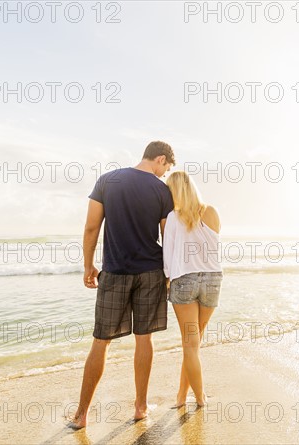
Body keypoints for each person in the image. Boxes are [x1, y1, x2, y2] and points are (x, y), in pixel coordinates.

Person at [71, 141, 175, 429]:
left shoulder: (108, 180)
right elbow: (168, 237)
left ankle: (81, 415)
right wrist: (168, 274)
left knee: (100, 341)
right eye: (165, 169)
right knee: (145, 339)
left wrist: (88, 264)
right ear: (160, 159)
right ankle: (140, 407)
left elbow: (91, 226)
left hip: (114, 271)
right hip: (151, 272)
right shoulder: (162, 190)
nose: (164, 175)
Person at [163, 171, 223, 408]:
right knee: (194, 345)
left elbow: (167, 257)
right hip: (212, 280)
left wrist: (167, 281)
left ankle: (199, 398)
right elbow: (214, 245)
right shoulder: (211, 211)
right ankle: (181, 397)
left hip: (185, 280)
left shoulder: (172, 217)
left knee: (190, 345)